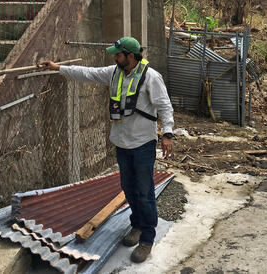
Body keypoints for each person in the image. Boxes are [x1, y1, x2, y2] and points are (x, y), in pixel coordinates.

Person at [41, 37, 174, 263]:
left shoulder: (151, 77)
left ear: (130, 56)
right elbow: (88, 73)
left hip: (143, 144)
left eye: (118, 54)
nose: (114, 57)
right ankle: (137, 226)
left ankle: (147, 239)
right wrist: (58, 68)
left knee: (144, 191)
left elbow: (164, 105)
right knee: (129, 189)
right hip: (121, 143)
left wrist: (168, 134)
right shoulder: (115, 72)